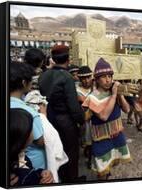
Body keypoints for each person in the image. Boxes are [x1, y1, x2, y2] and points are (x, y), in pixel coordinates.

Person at [38, 44, 85, 182]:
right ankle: (72, 180)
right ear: (68, 59)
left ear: (53, 58)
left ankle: (60, 178)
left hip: (49, 119)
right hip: (66, 122)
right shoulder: (67, 77)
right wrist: (81, 120)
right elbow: (73, 106)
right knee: (70, 153)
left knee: (56, 151)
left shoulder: (44, 75)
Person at [82, 58, 131, 179]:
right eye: (103, 77)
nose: (108, 79)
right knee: (102, 170)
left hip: (116, 136)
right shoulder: (92, 97)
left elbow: (127, 110)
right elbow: (103, 116)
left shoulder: (113, 92)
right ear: (97, 79)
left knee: (109, 166)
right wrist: (114, 95)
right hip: (101, 140)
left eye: (110, 76)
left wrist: (119, 94)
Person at [24, 90, 69, 183]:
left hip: (29, 161)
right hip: (41, 163)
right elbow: (47, 141)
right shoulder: (40, 119)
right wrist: (43, 115)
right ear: (41, 106)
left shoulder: (25, 117)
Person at [10, 62, 46, 170]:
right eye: (31, 80)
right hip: (32, 163)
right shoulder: (28, 113)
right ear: (24, 82)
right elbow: (41, 141)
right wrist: (43, 116)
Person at [9, 108, 54, 186]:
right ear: (24, 136)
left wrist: (41, 172)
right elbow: (28, 174)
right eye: (32, 128)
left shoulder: (20, 156)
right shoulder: (21, 177)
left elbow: (29, 169)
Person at [76, 66, 93, 168]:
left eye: (88, 77)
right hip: (83, 120)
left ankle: (90, 159)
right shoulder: (76, 89)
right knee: (86, 140)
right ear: (79, 78)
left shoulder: (95, 87)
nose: (86, 81)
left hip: (94, 119)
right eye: (83, 78)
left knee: (93, 141)